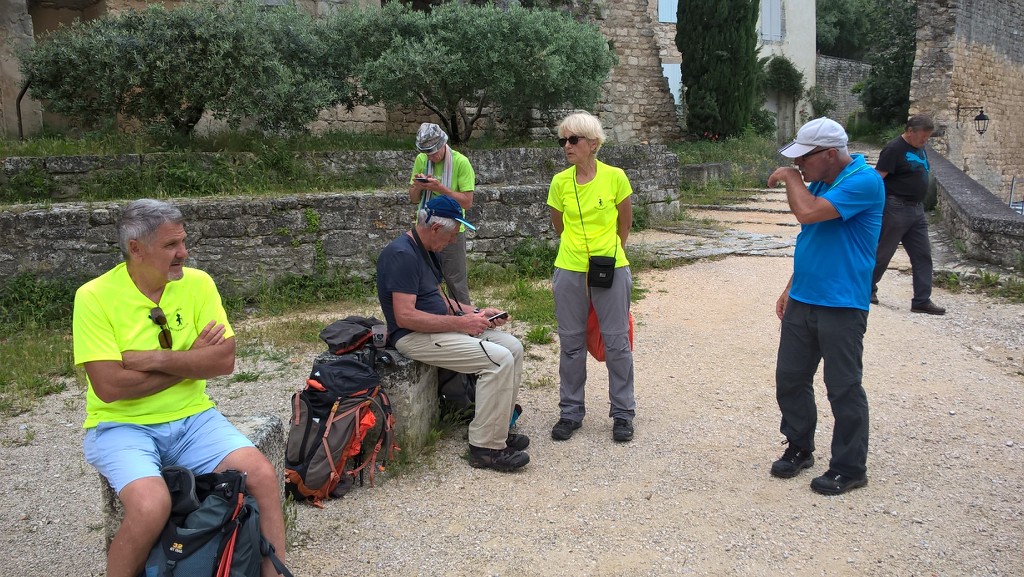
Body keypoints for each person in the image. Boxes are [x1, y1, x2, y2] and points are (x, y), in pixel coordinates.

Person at [72, 199, 285, 577]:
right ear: (135, 249)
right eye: (171, 246)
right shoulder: (94, 296)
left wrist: (153, 359)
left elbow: (223, 361)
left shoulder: (198, 284)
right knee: (151, 505)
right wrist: (191, 360)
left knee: (263, 477)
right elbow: (108, 387)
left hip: (193, 418)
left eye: (183, 242)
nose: (183, 253)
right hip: (121, 426)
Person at [767, 117, 885, 496]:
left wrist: (790, 176)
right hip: (805, 298)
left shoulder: (864, 181)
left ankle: (850, 467)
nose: (800, 163)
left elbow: (808, 213)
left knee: (843, 386)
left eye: (805, 157)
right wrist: (790, 287)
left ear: (831, 154)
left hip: (842, 304)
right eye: (797, 159)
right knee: (790, 377)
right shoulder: (821, 181)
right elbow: (811, 236)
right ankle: (799, 446)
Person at [376, 194, 529, 472]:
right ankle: (485, 448)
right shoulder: (401, 255)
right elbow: (405, 316)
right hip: (413, 337)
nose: (452, 241)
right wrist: (462, 324)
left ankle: (498, 430)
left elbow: (441, 301)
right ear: (435, 228)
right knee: (498, 360)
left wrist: (479, 313)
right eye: (451, 235)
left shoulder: (425, 251)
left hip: (438, 327)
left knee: (514, 347)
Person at [546, 111, 636, 443]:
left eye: (573, 140)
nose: (566, 146)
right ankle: (570, 412)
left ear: (593, 144)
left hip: (610, 266)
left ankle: (623, 413)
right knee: (571, 344)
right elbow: (559, 226)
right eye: (563, 140)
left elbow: (624, 223)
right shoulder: (559, 182)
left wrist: (612, 253)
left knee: (616, 342)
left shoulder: (616, 177)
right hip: (569, 268)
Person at [870, 114, 945, 315]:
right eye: (922, 137)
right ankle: (867, 288)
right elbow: (878, 179)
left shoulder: (920, 148)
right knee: (883, 253)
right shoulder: (894, 149)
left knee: (923, 255)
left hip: (917, 210)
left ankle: (921, 300)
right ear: (910, 131)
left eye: (927, 138)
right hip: (896, 208)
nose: (924, 141)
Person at [408, 122, 475, 305]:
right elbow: (413, 198)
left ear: (443, 144)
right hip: (425, 230)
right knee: (424, 280)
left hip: (451, 231)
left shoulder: (461, 162)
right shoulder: (422, 160)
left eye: (434, 152)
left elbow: (467, 202)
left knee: (456, 282)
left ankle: (463, 321)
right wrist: (417, 186)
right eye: (427, 153)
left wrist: (440, 188)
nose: (431, 156)